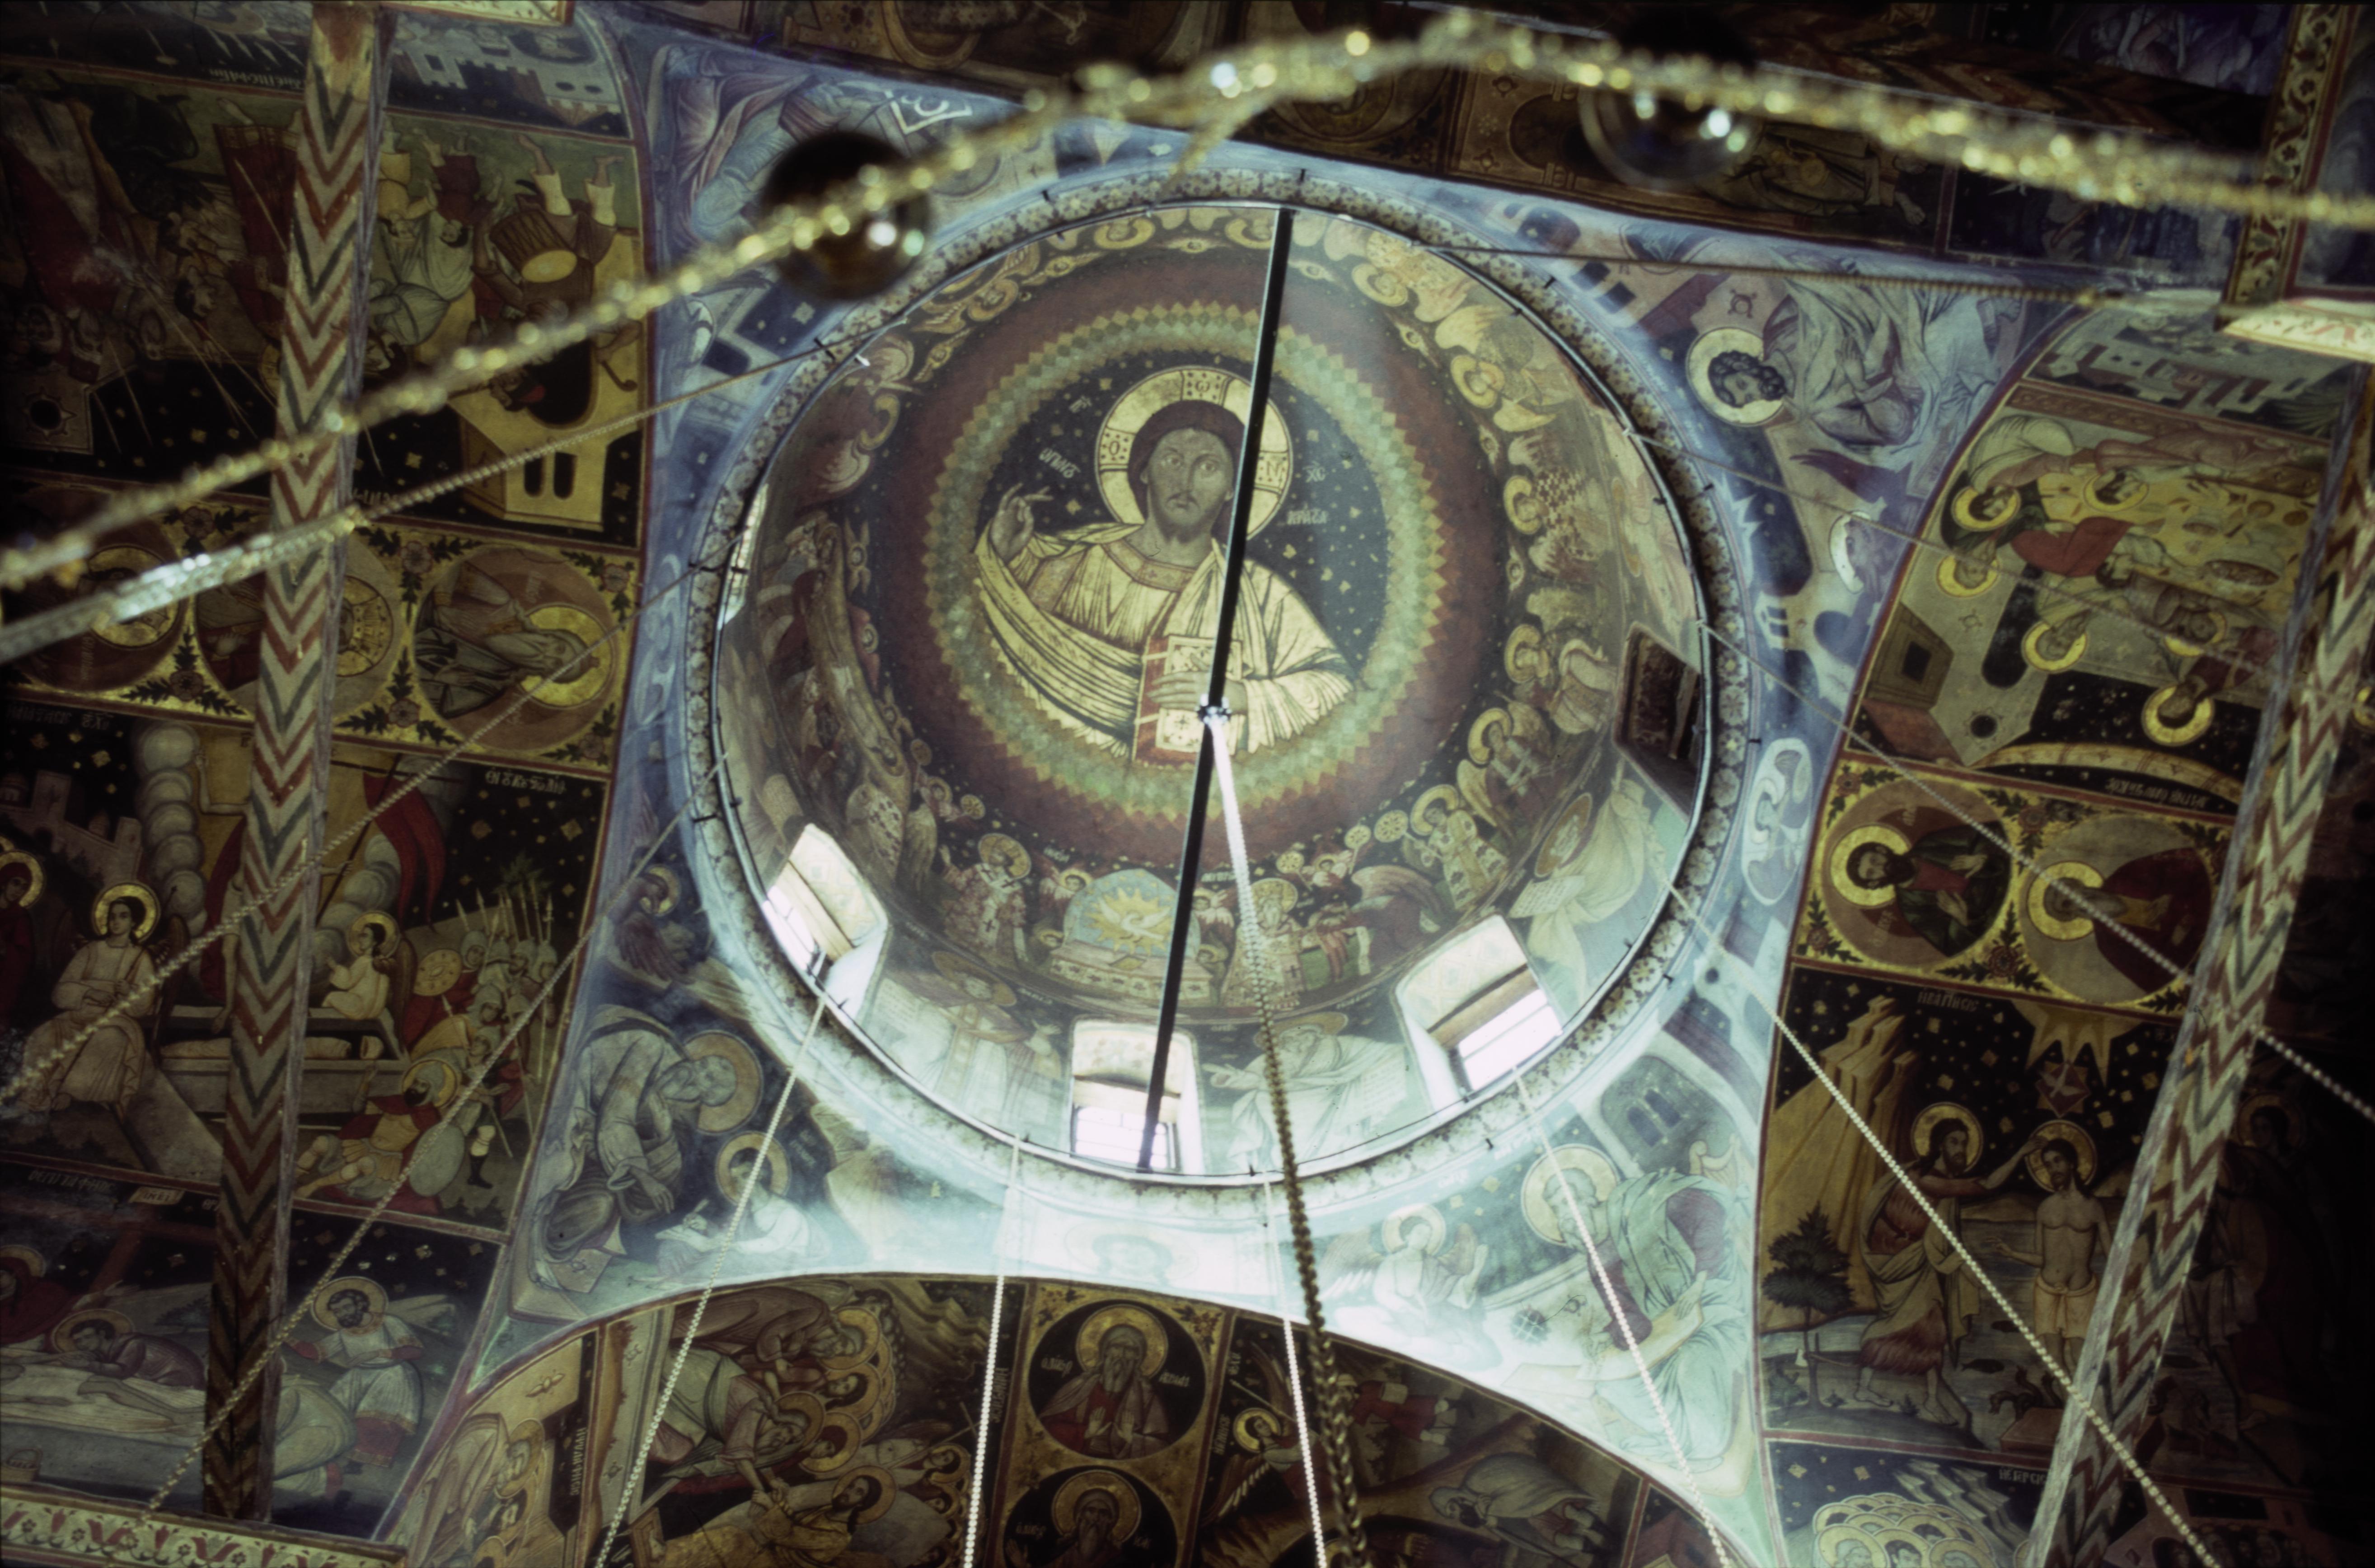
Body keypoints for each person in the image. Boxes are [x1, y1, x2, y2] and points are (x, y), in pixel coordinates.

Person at [974, 398, 1349, 757]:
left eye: (1208, 467)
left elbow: (1337, 688)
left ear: (1231, 488)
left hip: (1164, 785)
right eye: (1172, 460)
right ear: (1144, 470)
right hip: (1050, 765)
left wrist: (1241, 696)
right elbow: (992, 626)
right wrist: (1000, 556)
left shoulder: (1259, 594)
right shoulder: (1069, 561)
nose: (1186, 481)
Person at [1853, 1121, 2041, 1426]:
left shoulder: (1939, 1179)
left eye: (1964, 1143)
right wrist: (2021, 1153)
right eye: (1954, 1142)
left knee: (1930, 1326)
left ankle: (1918, 1397)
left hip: (1918, 1258)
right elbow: (1986, 1185)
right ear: (1939, 1144)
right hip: (1896, 1261)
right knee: (1901, 1324)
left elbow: (1938, 1230)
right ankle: (1876, 1390)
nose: (1960, 1149)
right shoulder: (1926, 1178)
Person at [18, 896, 158, 1119]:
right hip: (78, 1017)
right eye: (112, 917)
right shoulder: (91, 951)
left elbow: (144, 1006)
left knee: (109, 1038)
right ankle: (36, 1093)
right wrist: (89, 993)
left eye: (123, 917)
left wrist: (128, 992)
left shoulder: (140, 958)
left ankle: (69, 1093)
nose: (116, 922)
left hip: (115, 1021)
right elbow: (60, 992)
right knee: (44, 1034)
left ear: (134, 922)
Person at [414, 558, 591, 719]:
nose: (548, 654)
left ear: (545, 673)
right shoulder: (501, 605)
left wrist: (435, 677)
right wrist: (443, 606)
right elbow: (452, 566)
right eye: (559, 648)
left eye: (556, 664)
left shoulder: (490, 685)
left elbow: (431, 709)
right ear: (552, 636)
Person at [1994, 1142, 2108, 1371]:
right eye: (2048, 1165)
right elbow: (2041, 1260)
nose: (2053, 1169)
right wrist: (2012, 1253)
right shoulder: (2046, 1208)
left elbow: (2113, 1254)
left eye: (2058, 1161)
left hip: (2081, 1291)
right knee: (2055, 1358)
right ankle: (2067, 1396)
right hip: (2047, 1290)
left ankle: (2088, 1395)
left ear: (2072, 1163)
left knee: (2080, 1355)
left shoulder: (2093, 1207)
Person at [291, 1286, 425, 1467]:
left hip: (393, 1375)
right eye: (337, 1311)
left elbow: (414, 1351)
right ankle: (324, 1457)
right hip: (360, 1375)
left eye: (346, 1307)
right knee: (332, 1412)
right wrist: (286, 1338)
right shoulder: (345, 1333)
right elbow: (314, 1352)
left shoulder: (388, 1322)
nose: (343, 1314)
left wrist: (378, 1353)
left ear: (360, 1305)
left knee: (373, 1420)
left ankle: (355, 1464)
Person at [1844, 826, 2010, 959]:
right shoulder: (1912, 909)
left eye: (1874, 860)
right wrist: (1962, 920)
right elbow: (1953, 947)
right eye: (1872, 873)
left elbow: (1986, 833)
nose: (1881, 867)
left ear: (1882, 850)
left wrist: (1982, 858)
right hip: (1999, 917)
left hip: (2008, 875)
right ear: (1875, 883)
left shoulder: (1929, 844)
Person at [1039, 1320, 1169, 1459]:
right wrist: (1086, 1432)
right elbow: (1048, 1428)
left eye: (1130, 1350)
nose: (1121, 1355)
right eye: (1116, 1347)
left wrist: (1132, 1438)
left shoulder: (1147, 1398)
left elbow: (1162, 1447)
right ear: (1105, 1351)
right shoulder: (1079, 1387)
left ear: (1138, 1356)